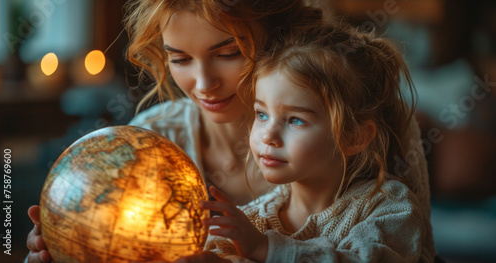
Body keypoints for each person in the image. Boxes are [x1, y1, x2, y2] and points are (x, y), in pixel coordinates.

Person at [25, 0, 432, 262]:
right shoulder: (146, 148)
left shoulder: (377, 164)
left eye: (228, 53)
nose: (203, 84)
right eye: (180, 59)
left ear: (279, 41)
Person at [179, 21, 436, 262]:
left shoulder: (390, 208)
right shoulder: (252, 220)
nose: (268, 135)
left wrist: (264, 249)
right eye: (262, 114)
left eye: (295, 120)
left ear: (354, 136)